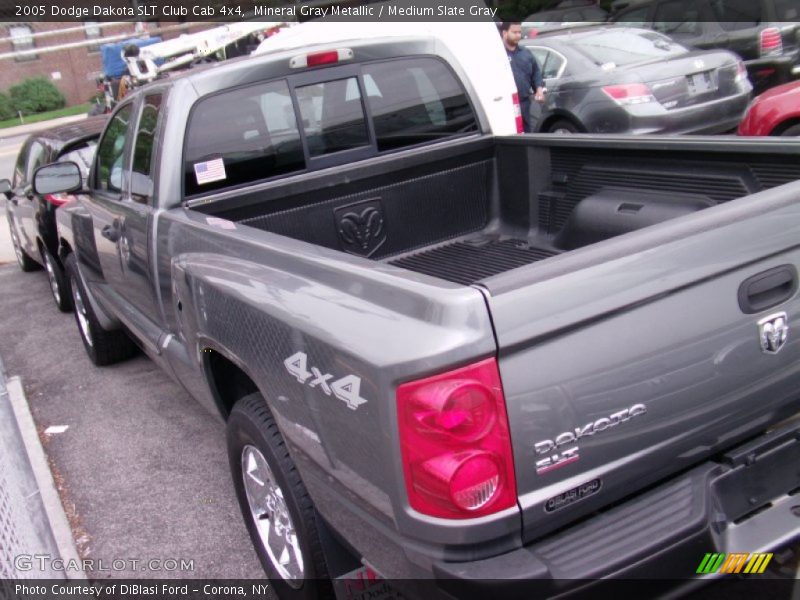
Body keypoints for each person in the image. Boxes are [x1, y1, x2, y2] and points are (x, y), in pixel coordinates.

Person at [500, 22, 545, 133]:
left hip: (525, 103)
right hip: (505, 105)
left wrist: (539, 89)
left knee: (527, 134)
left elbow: (536, 73)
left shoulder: (525, 53)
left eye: (519, 32)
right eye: (514, 32)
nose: (518, 35)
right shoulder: (498, 54)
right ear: (505, 33)